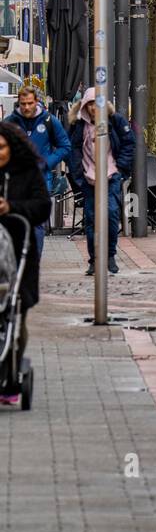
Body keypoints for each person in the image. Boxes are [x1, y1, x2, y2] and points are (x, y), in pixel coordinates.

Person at [0, 121, 51, 393]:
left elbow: (43, 206)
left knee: (15, 316)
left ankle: (12, 367)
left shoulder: (27, 172)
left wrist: (11, 207)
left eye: (2, 148)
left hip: (20, 254)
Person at [68, 87, 135, 277]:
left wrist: (120, 168)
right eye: (88, 104)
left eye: (95, 104)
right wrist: (78, 175)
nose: (92, 108)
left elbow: (129, 142)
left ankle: (110, 254)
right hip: (89, 179)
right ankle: (94, 259)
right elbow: (72, 149)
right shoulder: (79, 125)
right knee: (91, 220)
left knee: (112, 214)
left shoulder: (115, 121)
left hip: (111, 175)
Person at [5, 88, 70, 255]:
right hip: (15, 180)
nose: (26, 107)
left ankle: (34, 259)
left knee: (36, 222)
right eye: (23, 104)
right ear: (18, 103)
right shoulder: (10, 122)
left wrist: (47, 163)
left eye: (30, 103)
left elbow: (65, 146)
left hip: (41, 179)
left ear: (36, 102)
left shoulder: (49, 121)